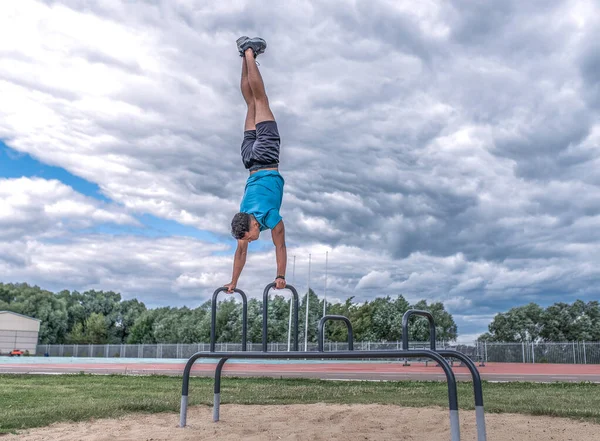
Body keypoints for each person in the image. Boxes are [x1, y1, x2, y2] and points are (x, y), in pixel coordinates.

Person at [224, 36, 287, 293]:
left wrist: (280, 275)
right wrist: (233, 283)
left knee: (260, 101)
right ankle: (243, 56)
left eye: (249, 236)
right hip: (249, 160)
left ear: (250, 224)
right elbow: (240, 255)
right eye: (247, 239)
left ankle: (249, 51)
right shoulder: (243, 214)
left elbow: (280, 245)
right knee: (250, 104)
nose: (251, 240)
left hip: (266, 158)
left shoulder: (268, 217)